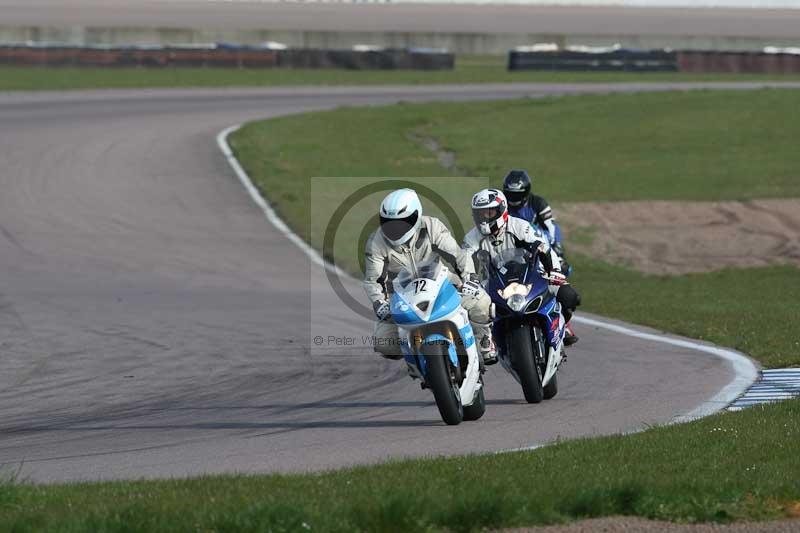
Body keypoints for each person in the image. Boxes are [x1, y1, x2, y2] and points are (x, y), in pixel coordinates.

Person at [363, 188, 497, 364]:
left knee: (482, 303)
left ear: (416, 216)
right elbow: (373, 281)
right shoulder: (376, 242)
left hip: (442, 282)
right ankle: (416, 359)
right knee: (383, 342)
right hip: (400, 295)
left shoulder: (432, 226)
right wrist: (380, 302)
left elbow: (458, 256)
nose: (395, 228)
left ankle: (483, 341)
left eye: (402, 222)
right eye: (389, 223)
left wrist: (469, 278)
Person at [462, 188, 580, 346]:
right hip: (494, 282)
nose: (484, 218)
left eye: (489, 213)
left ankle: (561, 324)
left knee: (569, 296)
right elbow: (463, 260)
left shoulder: (519, 226)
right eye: (480, 214)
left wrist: (555, 271)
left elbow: (543, 248)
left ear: (502, 210)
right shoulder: (471, 237)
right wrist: (469, 280)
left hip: (530, 274)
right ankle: (486, 341)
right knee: (471, 307)